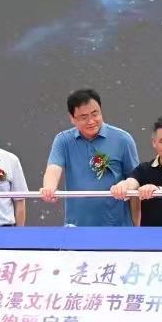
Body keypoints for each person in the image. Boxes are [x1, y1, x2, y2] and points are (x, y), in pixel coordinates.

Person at [40, 88, 139, 226]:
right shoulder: (63, 140)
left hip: (116, 226)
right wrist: (49, 188)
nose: (91, 121)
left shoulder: (123, 139)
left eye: (95, 114)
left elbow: (136, 178)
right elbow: (53, 168)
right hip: (77, 226)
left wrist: (136, 227)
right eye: (84, 117)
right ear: (72, 118)